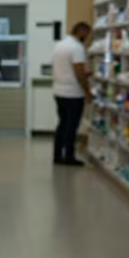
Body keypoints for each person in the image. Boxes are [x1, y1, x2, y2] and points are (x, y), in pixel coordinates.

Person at [52, 22, 92, 167]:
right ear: (81, 32)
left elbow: (66, 69)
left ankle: (57, 155)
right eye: (87, 34)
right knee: (71, 126)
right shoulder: (77, 48)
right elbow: (78, 72)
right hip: (73, 94)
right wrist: (87, 92)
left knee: (62, 125)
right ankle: (69, 156)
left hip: (59, 91)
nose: (87, 38)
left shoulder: (60, 45)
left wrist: (84, 74)